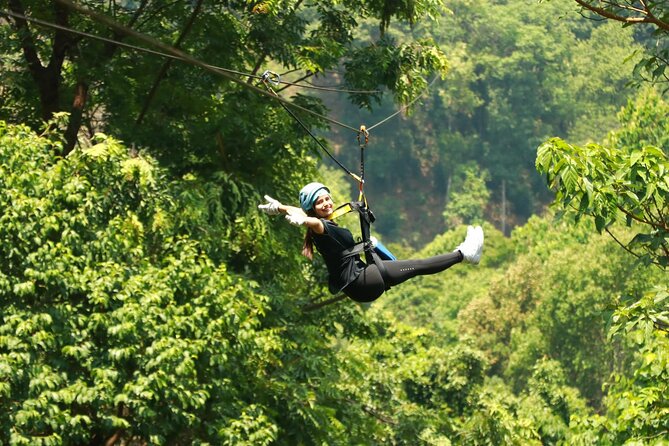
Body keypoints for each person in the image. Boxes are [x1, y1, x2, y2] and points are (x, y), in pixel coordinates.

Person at [258, 182, 484, 303]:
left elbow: (306, 213)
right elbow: (313, 222)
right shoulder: (321, 228)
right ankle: (464, 254)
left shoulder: (326, 223)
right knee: (418, 265)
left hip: (361, 282)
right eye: (320, 202)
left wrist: (280, 207)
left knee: (406, 262)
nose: (327, 204)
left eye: (327, 198)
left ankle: (463, 253)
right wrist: (304, 220)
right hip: (363, 282)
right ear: (313, 210)